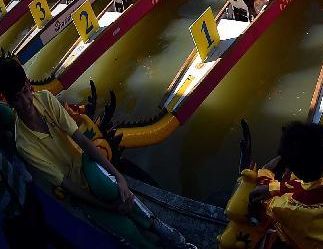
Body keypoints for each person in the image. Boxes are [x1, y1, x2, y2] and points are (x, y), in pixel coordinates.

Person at [0, 57, 191, 248]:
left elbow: (81, 140)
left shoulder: (46, 100)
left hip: (87, 164)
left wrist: (120, 178)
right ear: (8, 101)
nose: (25, 102)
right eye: (17, 98)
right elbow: (66, 185)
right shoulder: (23, 144)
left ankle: (165, 232)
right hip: (76, 191)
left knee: (109, 186)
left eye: (26, 92)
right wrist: (110, 207)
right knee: (128, 232)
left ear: (28, 84)